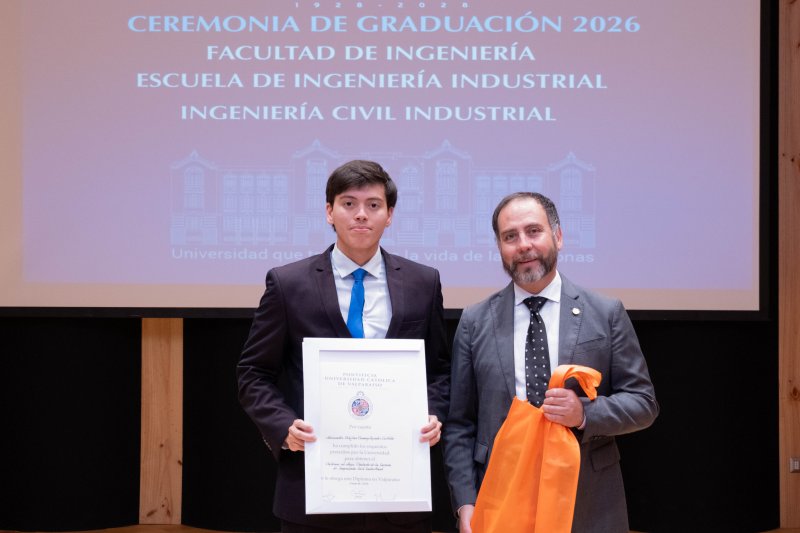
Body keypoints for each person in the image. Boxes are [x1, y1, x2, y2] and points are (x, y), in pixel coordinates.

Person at [237, 159, 450, 533]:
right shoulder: (289, 284)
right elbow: (253, 373)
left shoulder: (423, 282)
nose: (361, 214)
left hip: (399, 486)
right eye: (348, 204)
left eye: (373, 205)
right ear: (329, 212)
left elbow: (440, 370)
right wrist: (283, 426)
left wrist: (433, 413)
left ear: (389, 215)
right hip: (313, 485)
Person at [442, 192, 658, 533]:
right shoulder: (475, 321)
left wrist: (584, 413)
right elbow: (459, 424)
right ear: (499, 247)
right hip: (500, 494)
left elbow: (643, 403)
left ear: (558, 236)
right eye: (510, 236)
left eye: (534, 231)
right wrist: (465, 501)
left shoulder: (605, 313)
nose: (523, 245)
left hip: (586, 497)